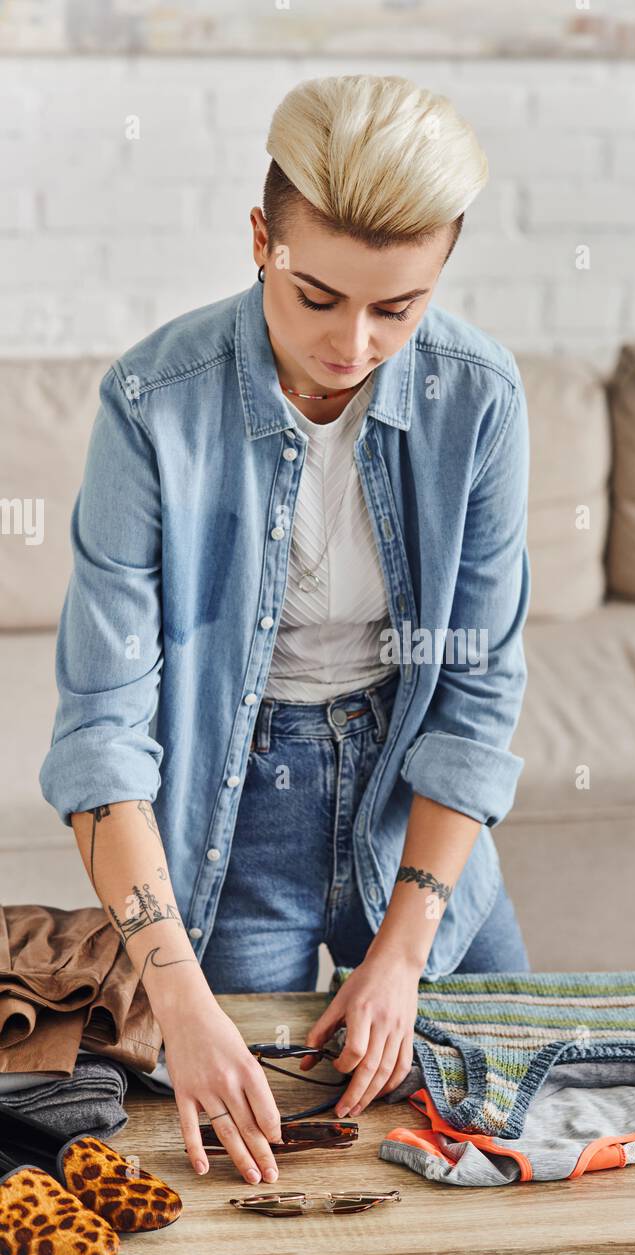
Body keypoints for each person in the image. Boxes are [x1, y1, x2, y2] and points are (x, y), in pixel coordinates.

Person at [39, 74, 531, 1186]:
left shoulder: (483, 398)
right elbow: (103, 736)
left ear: (440, 272)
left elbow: (475, 697)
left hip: (409, 804)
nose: (351, 343)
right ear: (261, 238)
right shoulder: (152, 403)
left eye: (395, 310)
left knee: (502, 1134)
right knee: (229, 1158)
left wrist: (403, 951)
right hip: (235, 806)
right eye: (316, 296)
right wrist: (175, 988)